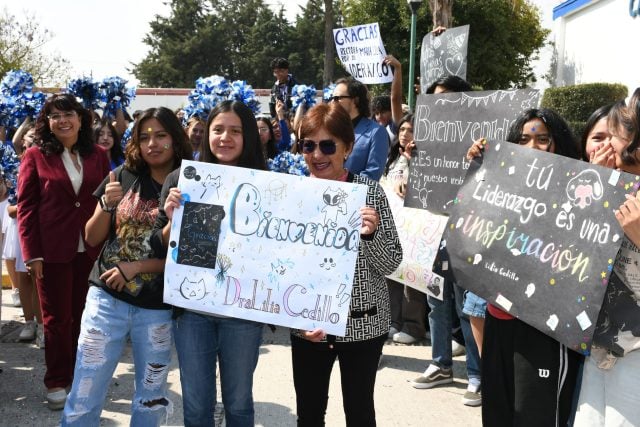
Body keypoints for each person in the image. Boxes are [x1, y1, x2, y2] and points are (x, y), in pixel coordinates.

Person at [61, 107, 192, 425]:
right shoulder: (122, 176)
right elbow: (91, 237)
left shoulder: (192, 184)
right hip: (105, 301)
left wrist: (135, 268)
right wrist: (107, 205)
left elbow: (191, 257)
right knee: (84, 391)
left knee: (150, 397)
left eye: (161, 135)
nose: (152, 143)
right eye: (144, 136)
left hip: (157, 307)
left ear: (175, 139)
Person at [466, 108, 582, 426]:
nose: (532, 147)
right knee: (498, 415)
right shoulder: (501, 186)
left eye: (542, 139)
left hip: (543, 330)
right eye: (523, 140)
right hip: (498, 319)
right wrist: (479, 170)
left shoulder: (575, 196)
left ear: (559, 144)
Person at [153, 100, 266, 427]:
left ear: (248, 137)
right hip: (193, 314)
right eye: (218, 130)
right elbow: (162, 246)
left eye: (235, 131)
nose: (224, 138)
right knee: (197, 406)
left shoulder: (266, 183)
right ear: (207, 134)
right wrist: (172, 221)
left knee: (239, 403)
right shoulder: (185, 179)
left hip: (242, 315)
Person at [291, 102, 402, 426]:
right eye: (308, 145)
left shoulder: (369, 193)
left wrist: (371, 235)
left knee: (359, 413)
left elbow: (391, 262)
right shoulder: (291, 195)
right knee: (309, 415)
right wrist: (295, 317)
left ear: (348, 147)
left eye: (328, 145)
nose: (317, 154)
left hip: (362, 326)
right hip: (308, 328)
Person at [17, 93, 111, 410]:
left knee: (88, 318)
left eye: (69, 113)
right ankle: (57, 380)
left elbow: (107, 202)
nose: (63, 120)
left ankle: (83, 377)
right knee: (57, 320)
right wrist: (32, 254)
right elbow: (27, 208)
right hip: (52, 251)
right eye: (55, 116)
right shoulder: (34, 156)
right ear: (48, 123)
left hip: (92, 249)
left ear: (81, 119)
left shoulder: (98, 154)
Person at [410, 75, 482, 408]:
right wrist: (414, 159)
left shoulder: (481, 140)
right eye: (436, 99)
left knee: (467, 306)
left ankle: (476, 374)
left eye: (448, 98)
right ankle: (440, 363)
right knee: (436, 302)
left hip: (467, 232)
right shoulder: (428, 139)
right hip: (433, 229)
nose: (442, 105)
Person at [574, 98, 640, 425]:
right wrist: (596, 183)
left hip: (634, 353)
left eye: (615, 134)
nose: (607, 144)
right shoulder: (608, 187)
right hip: (596, 345)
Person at [381, 114, 427, 345]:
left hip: (416, 227)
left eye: (410, 130)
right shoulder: (391, 157)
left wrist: (412, 163)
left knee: (413, 278)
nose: (404, 134)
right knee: (392, 275)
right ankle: (394, 320)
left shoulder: (422, 157)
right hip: (393, 223)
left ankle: (414, 326)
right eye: (401, 129)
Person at [4, 120, 42, 345]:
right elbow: (9, 207)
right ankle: (29, 323)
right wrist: (24, 207)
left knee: (39, 278)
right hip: (20, 224)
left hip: (43, 225)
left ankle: (43, 325)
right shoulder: (12, 166)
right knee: (25, 278)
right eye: (31, 137)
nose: (34, 141)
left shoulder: (48, 161)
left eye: (38, 137)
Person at [331, 77, 389, 181]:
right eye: (332, 98)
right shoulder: (330, 129)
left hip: (356, 194)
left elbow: (373, 173)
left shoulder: (376, 132)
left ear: (355, 100)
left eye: (337, 98)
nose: (333, 102)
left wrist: (344, 187)